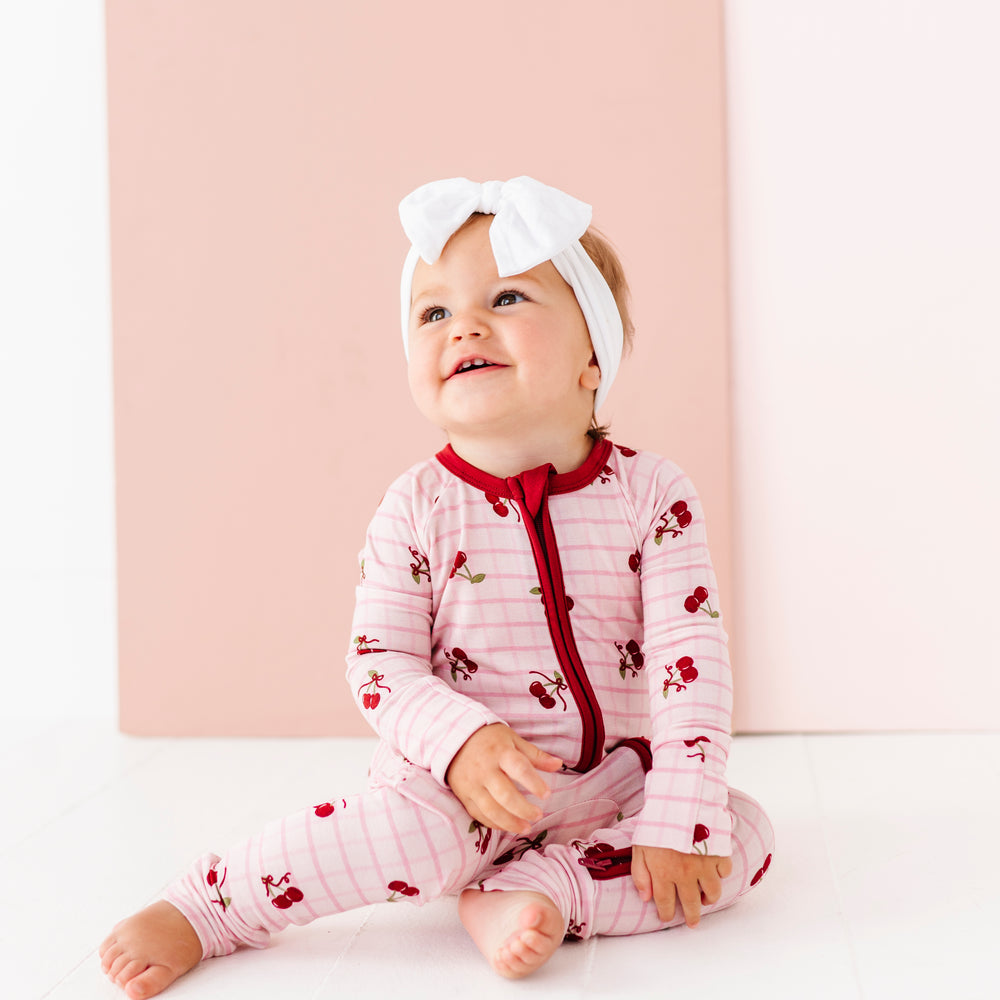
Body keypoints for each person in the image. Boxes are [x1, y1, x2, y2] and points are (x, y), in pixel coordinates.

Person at [100, 176, 774, 999]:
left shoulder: (653, 495)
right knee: (406, 840)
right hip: (458, 791)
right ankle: (210, 908)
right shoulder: (416, 507)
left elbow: (690, 661)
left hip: (614, 784)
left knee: (739, 838)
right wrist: (459, 744)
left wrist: (679, 813)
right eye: (433, 313)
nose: (466, 325)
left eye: (508, 296)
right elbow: (378, 661)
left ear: (593, 355)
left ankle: (541, 892)